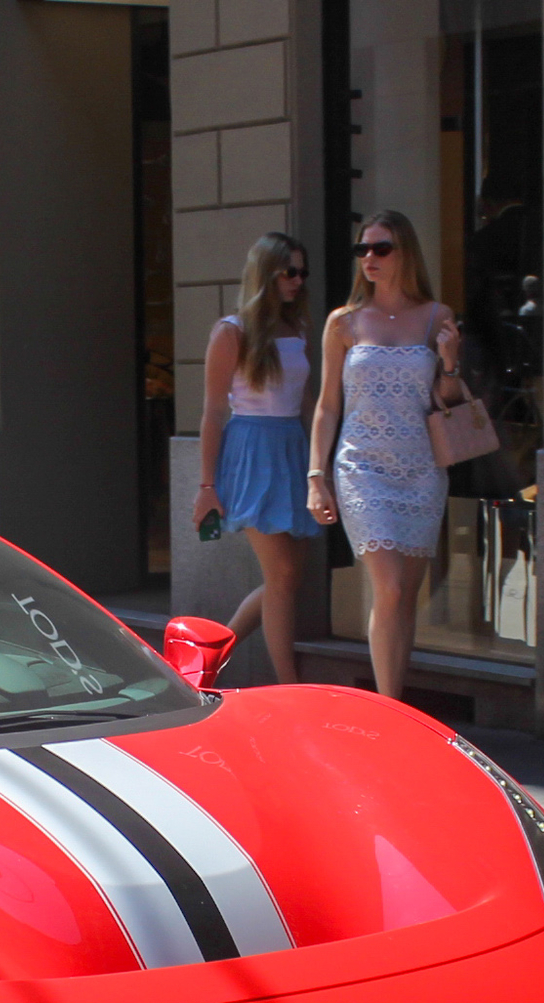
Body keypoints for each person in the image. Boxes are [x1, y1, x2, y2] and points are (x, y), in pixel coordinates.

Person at [306, 210, 465, 702]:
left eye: (381, 248)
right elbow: (328, 405)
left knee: (404, 597)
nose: (369, 258)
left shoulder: (436, 316)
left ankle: (396, 701)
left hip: (420, 468)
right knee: (390, 588)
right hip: (361, 467)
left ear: (405, 253)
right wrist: (316, 474)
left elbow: (452, 400)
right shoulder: (344, 323)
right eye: (363, 249)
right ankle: (390, 709)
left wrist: (452, 360)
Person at [194, 233, 320, 683]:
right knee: (282, 573)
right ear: (266, 274)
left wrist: (321, 458)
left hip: (292, 447)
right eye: (290, 272)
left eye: (303, 273)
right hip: (251, 449)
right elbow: (211, 412)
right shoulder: (232, 331)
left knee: (286, 578)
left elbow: (306, 400)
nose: (298, 281)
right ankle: (290, 686)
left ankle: (208, 658)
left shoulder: (296, 328)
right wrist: (207, 486)